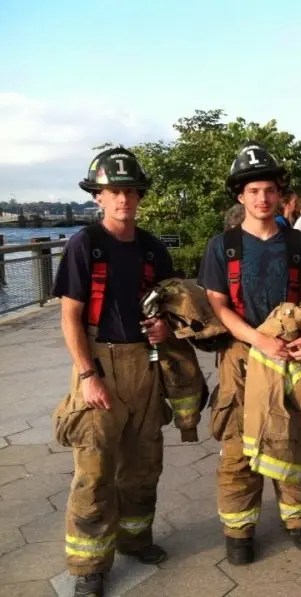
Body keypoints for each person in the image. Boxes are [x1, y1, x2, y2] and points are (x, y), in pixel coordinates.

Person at [52, 147, 173, 597]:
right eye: (114, 191)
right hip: (99, 363)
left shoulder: (152, 249)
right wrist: (88, 375)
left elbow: (169, 305)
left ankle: (135, 537)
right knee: (94, 468)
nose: (123, 199)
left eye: (130, 192)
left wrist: (164, 327)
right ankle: (88, 565)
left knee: (144, 463)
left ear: (140, 197)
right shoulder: (86, 244)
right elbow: (70, 317)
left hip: (144, 364)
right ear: (99, 197)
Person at [197, 142, 301, 564]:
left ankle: (299, 519)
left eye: (269, 190)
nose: (262, 198)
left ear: (279, 194)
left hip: (292, 356)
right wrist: (257, 338)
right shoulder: (223, 246)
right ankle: (239, 532)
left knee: (295, 437)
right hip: (243, 357)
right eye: (253, 191)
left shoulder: (298, 244)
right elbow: (217, 305)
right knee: (238, 446)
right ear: (240, 196)